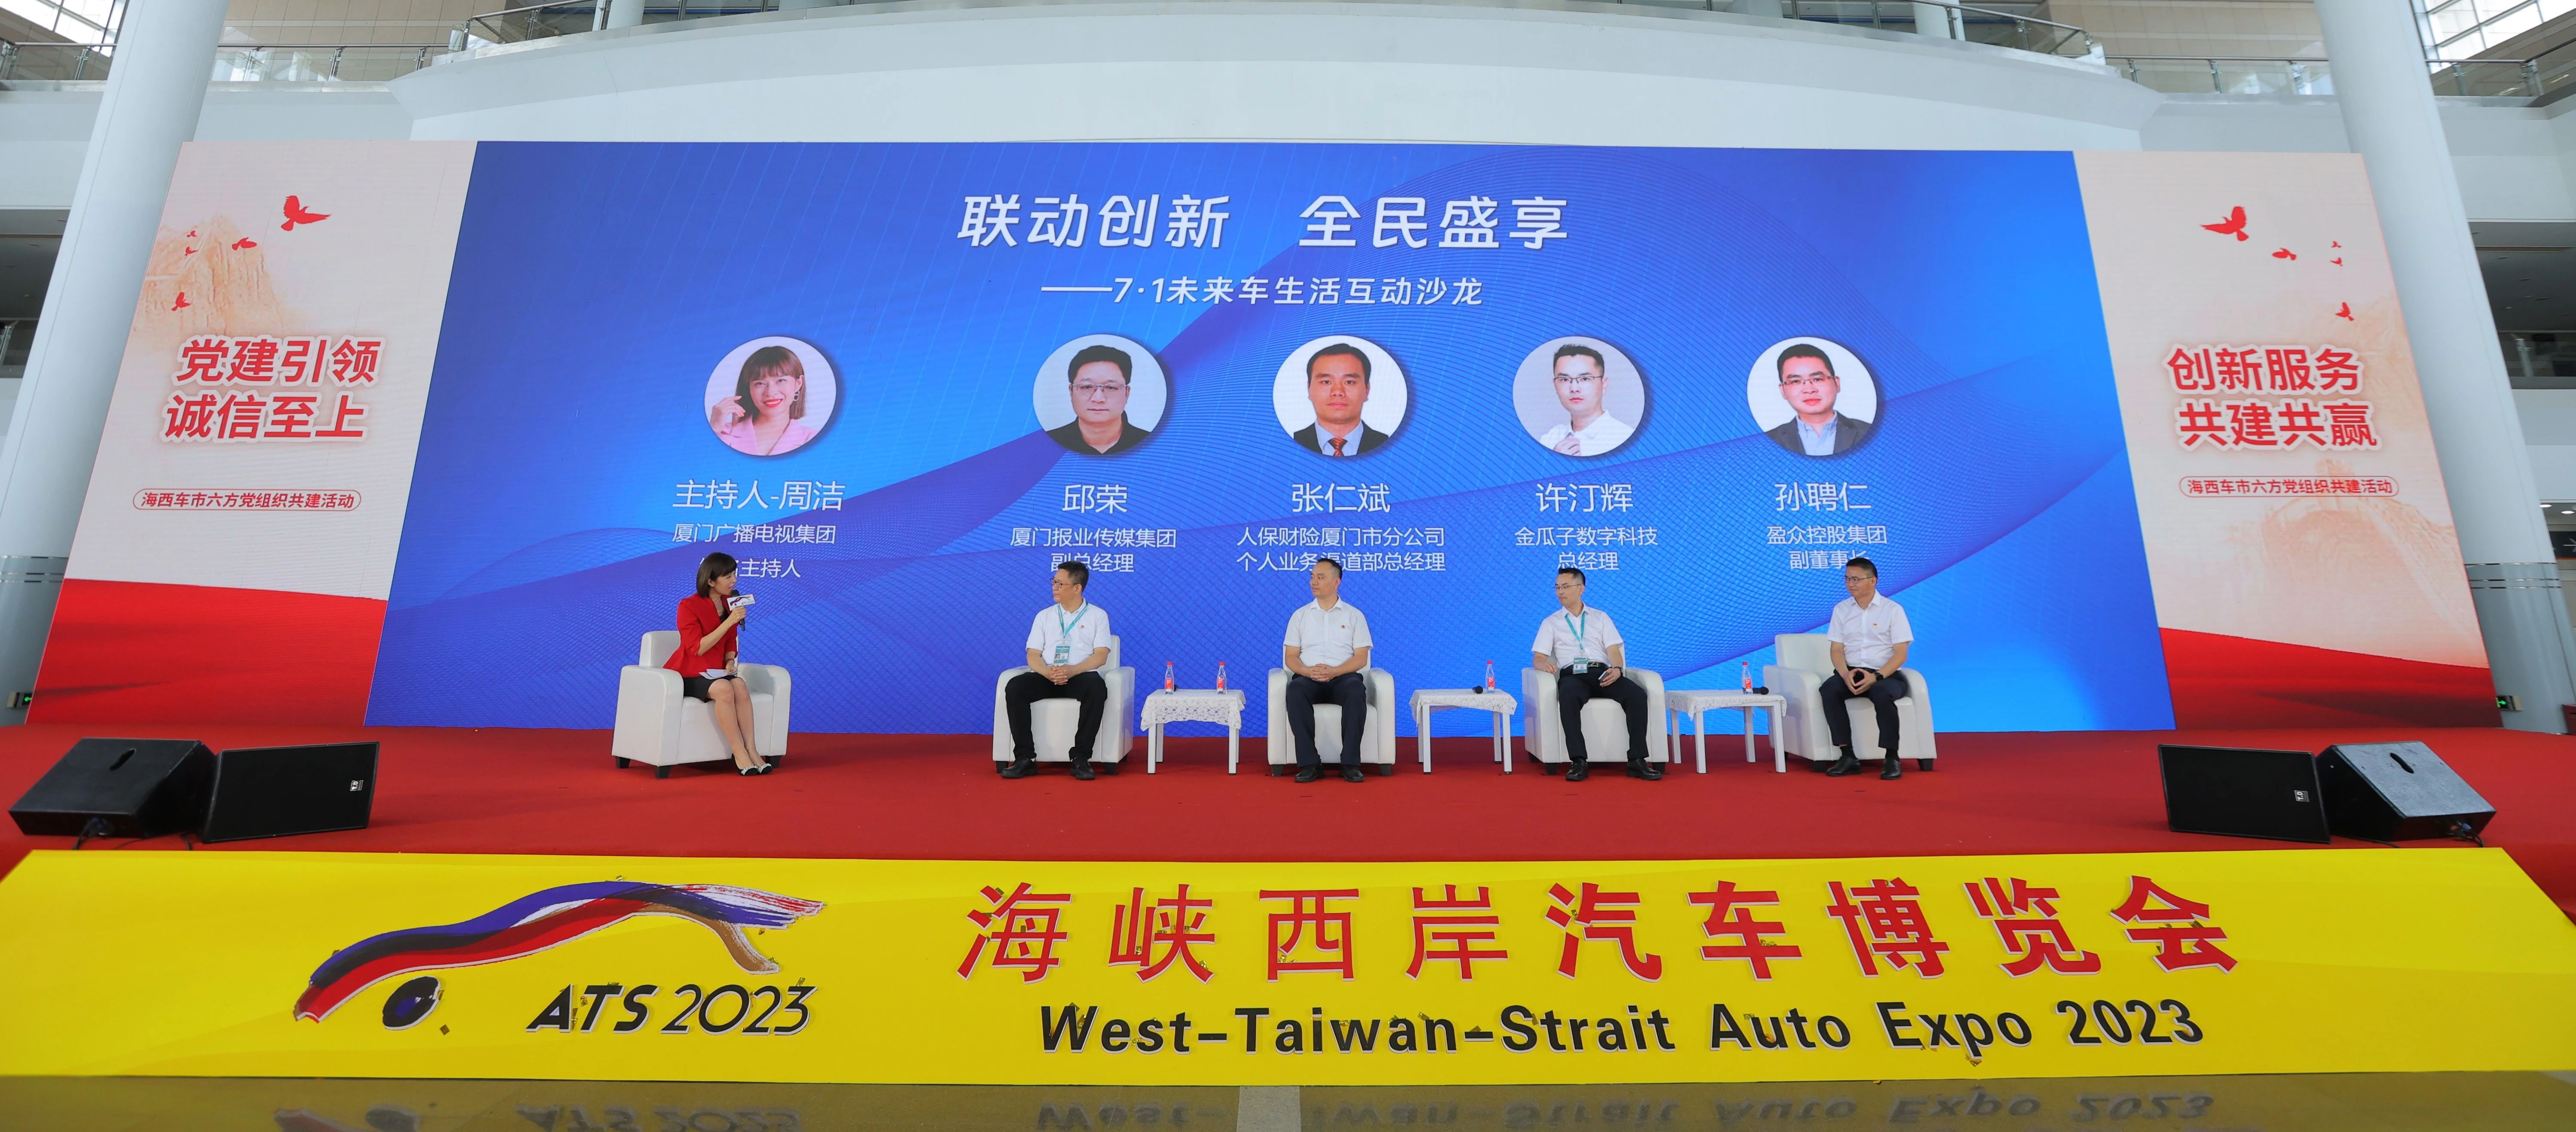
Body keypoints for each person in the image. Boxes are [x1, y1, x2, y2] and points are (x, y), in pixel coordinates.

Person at [1529, 567, 1658, 781]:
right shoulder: (1551, 623)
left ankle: (1637, 760)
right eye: (1557, 588)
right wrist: (1544, 665)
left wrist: (1617, 670)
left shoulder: (1601, 617)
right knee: (1568, 696)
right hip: (1572, 676)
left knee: (1636, 694)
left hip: (1601, 672)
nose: (1560, 592)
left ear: (1581, 589)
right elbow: (1539, 658)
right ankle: (1578, 761)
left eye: (1565, 587)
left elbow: (1614, 651)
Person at [1002, 561, 1114, 780]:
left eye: (1060, 584)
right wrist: (1047, 672)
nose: (1054, 587)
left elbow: (1101, 656)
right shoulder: (1044, 616)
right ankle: (1025, 758)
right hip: (1047, 675)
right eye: (1054, 582)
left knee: (1097, 688)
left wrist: (1073, 671)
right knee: (1015, 687)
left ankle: (1081, 758)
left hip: (1080, 675)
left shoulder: (1098, 616)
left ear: (1077, 588)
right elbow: (1033, 654)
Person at [662, 551, 771, 774]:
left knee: (739, 685)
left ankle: (752, 749)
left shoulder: (729, 604)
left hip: (717, 671)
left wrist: (730, 661)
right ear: (711, 581)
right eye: (728, 577)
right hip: (689, 673)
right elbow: (697, 648)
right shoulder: (688, 606)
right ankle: (738, 751)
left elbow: (731, 639)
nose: (734, 581)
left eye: (735, 575)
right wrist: (730, 621)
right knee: (724, 688)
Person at [1817, 556, 1913, 780]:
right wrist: (1844, 674)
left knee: (1881, 693)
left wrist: (1877, 676)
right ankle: (1847, 755)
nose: (1851, 584)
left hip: (1886, 675)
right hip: (1852, 672)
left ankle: (1892, 757)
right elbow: (1837, 650)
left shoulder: (1893, 610)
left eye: (1856, 579)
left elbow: (1901, 654)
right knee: (1829, 690)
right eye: (1847, 579)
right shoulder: (1841, 609)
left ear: (1873, 581)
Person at [1281, 557, 1375, 783]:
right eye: (1312, 577)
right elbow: (1291, 656)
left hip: (1343, 677)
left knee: (1355, 690)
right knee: (1295, 690)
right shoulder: (1300, 616)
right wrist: (1306, 671)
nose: (1313, 582)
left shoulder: (1354, 616)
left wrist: (1335, 671)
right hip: (1309, 678)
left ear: (1336, 582)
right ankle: (1310, 765)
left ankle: (1350, 764)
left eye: (1320, 578)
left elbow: (1361, 658)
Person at [1763, 342, 1874, 457]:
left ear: (1837, 384)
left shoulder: (1870, 432)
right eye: (1796, 381)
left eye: (1818, 379)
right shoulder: (1766, 442)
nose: (1809, 390)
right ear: (1783, 390)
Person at [711, 345, 823, 456]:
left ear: (798, 384)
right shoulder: (721, 433)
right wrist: (714, 428)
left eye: (781, 381)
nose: (770, 392)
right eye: (760, 383)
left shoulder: (814, 439)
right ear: (749, 389)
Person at [1045, 344, 1152, 455]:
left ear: (1127, 393)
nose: (1098, 399)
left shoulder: (1150, 442)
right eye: (1087, 387)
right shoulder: (1048, 442)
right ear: (1071, 391)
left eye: (1111, 388)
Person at [1291, 343, 1391, 456]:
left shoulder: (1391, 445)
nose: (1338, 392)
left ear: (1367, 390)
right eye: (1326, 382)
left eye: (1349, 382)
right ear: (1309, 389)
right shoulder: (1287, 444)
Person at [1536, 343, 1635, 456]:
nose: (1574, 389)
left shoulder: (1625, 438)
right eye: (1565, 379)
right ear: (1555, 385)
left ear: (1604, 385)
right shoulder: (1550, 439)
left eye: (1585, 379)